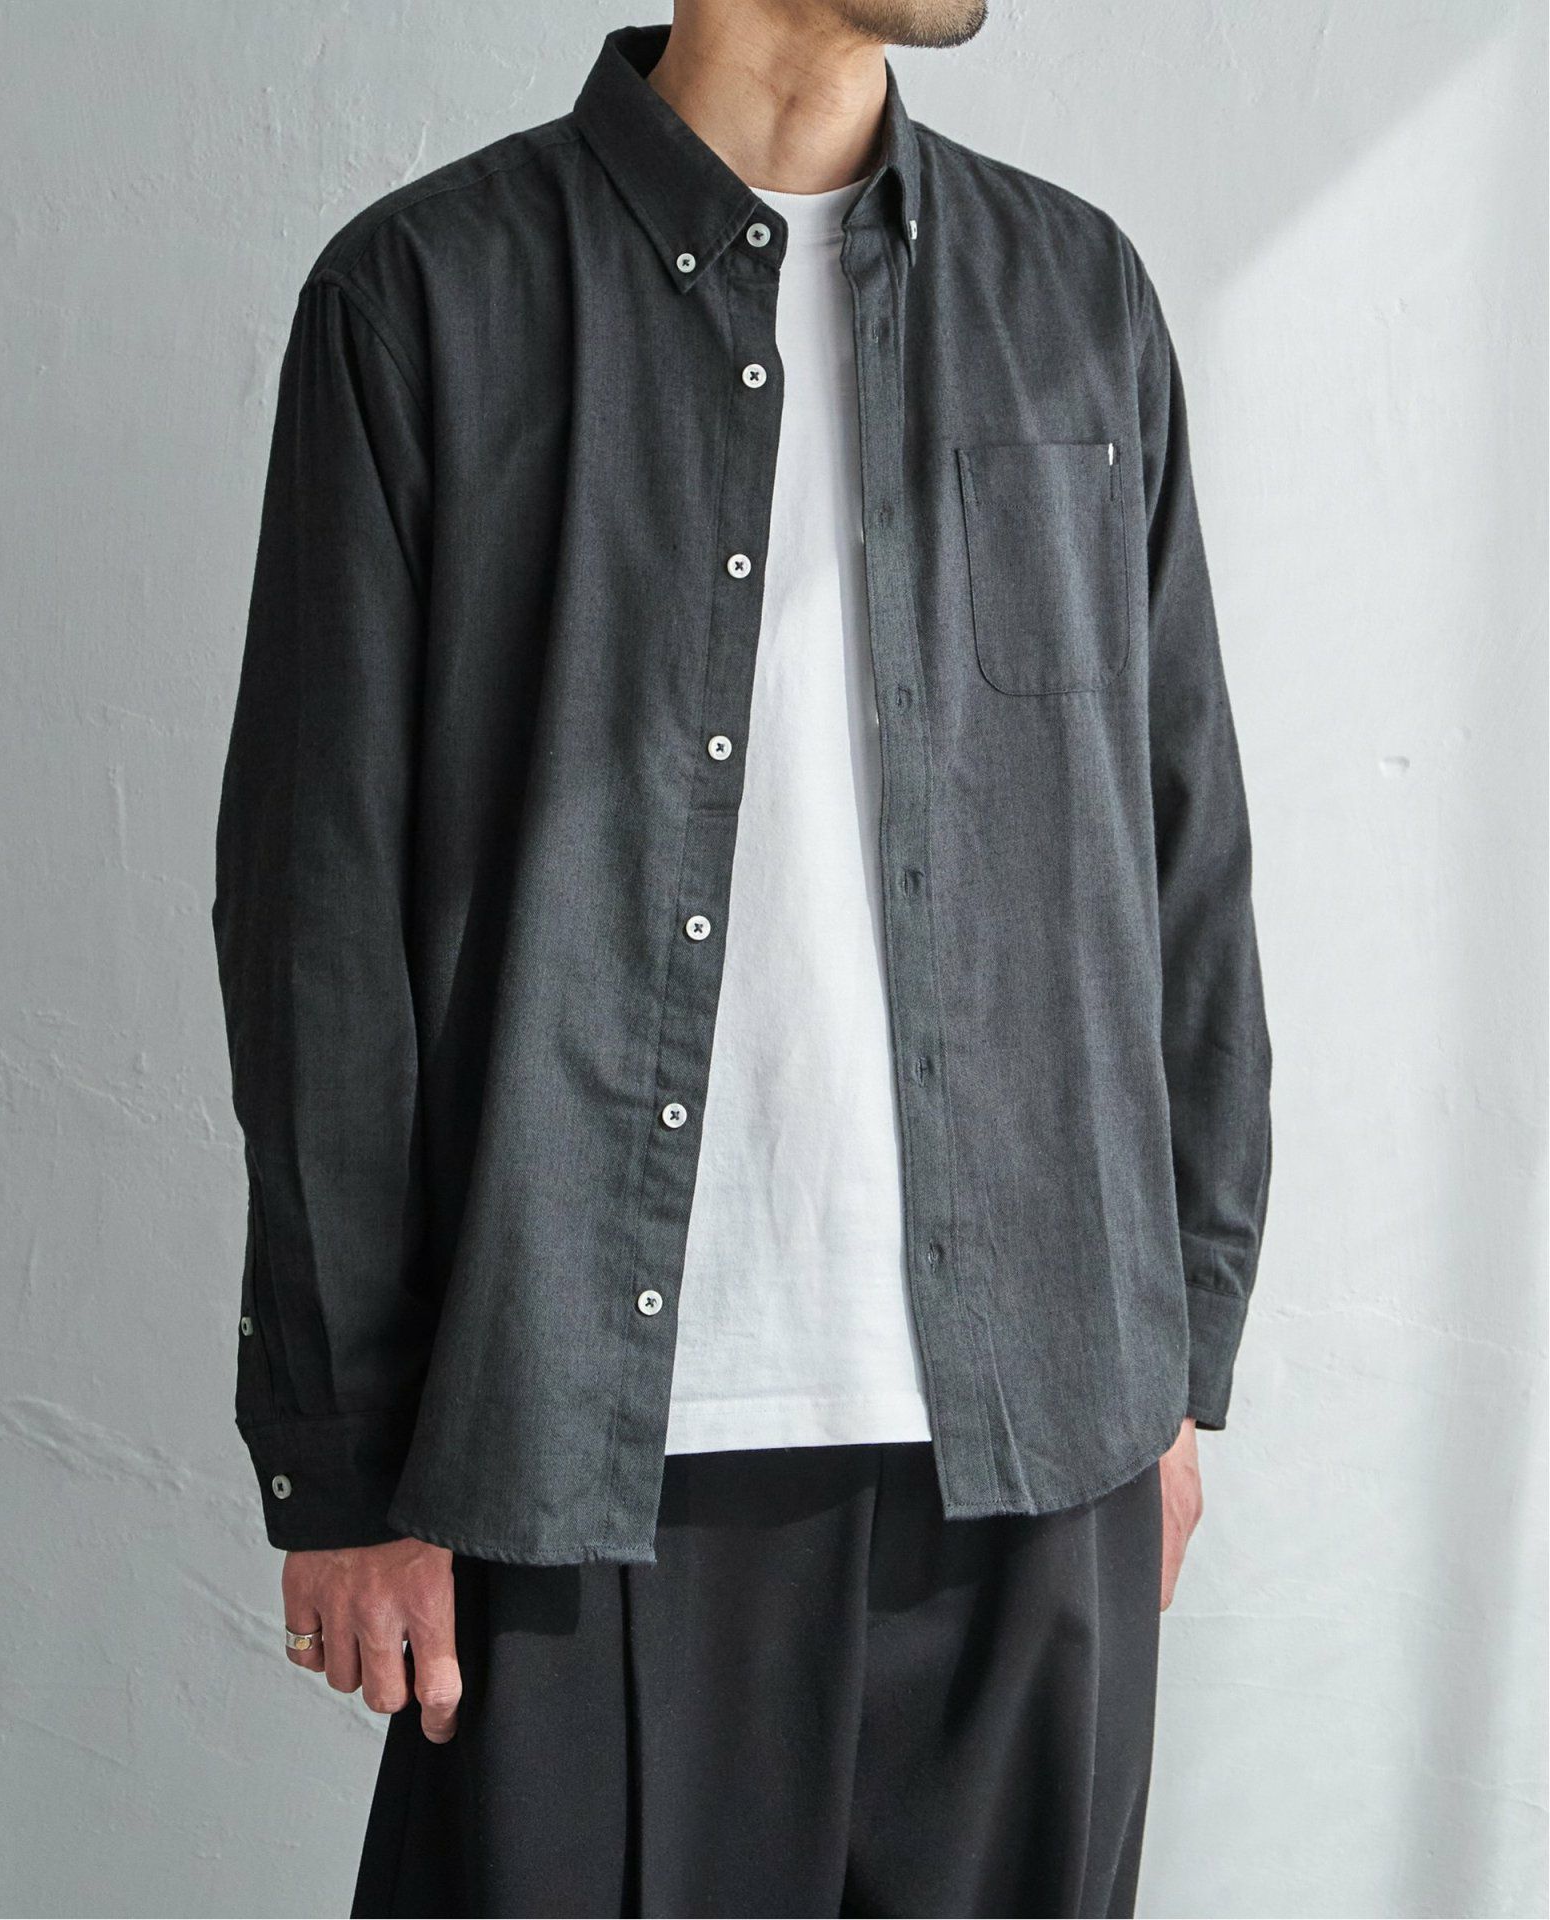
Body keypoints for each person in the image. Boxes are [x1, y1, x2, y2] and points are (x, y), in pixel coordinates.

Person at [213, 3, 1272, 1913]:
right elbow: (318, 931)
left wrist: (1179, 1365)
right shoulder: (427, 303)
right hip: (578, 1459)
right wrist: (341, 1455)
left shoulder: (1076, 298)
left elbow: (1178, 852)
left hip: (1042, 1443)